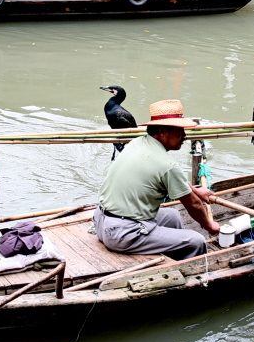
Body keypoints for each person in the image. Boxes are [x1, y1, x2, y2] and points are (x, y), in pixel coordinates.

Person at [94, 99, 220, 260]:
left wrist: (195, 190)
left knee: (172, 216)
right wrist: (209, 225)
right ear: (162, 131)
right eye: (180, 131)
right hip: (122, 233)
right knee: (196, 241)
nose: (184, 136)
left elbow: (173, 178)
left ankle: (172, 259)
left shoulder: (137, 143)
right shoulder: (167, 165)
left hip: (102, 222)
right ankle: (192, 275)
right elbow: (194, 204)